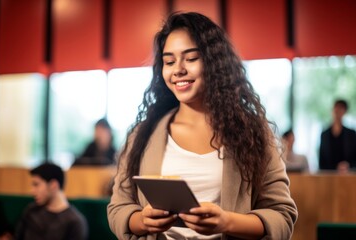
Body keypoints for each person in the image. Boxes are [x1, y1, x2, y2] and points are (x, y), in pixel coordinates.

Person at [107, 12, 297, 239]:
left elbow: (282, 216)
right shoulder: (142, 135)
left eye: (191, 58)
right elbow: (118, 207)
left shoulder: (252, 133)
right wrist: (141, 221)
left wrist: (227, 222)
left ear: (214, 63)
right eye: (169, 61)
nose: (178, 69)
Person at [14, 163, 88, 240]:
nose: (32, 191)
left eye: (36, 185)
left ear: (53, 185)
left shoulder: (75, 222)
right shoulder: (30, 210)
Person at [319, 99, 356, 172]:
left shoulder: (351, 134)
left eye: (341, 108)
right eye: (336, 108)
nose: (338, 111)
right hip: (328, 176)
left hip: (347, 176)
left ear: (345, 111)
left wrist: (348, 165)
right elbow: (321, 161)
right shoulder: (324, 134)